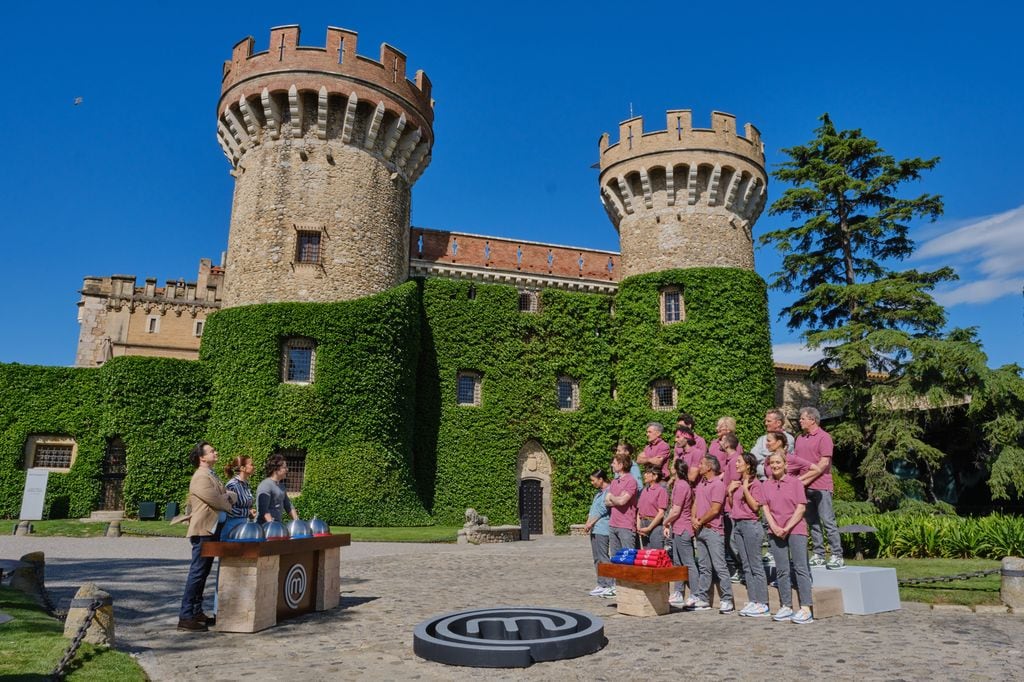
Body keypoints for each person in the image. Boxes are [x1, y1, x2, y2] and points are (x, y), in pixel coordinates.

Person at [177, 441, 237, 632]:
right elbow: (217, 500)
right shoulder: (200, 477)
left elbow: (228, 494)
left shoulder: (212, 475)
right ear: (202, 457)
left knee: (203, 573)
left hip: (213, 529)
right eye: (212, 451)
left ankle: (196, 611)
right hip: (204, 531)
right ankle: (186, 617)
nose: (215, 452)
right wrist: (227, 500)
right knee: (197, 573)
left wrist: (227, 497)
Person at [762, 442, 814, 624]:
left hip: (795, 529)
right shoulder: (766, 485)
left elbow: (800, 508)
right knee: (782, 569)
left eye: (778, 462)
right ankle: (786, 605)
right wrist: (775, 527)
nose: (775, 466)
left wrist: (786, 528)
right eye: (772, 463)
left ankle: (806, 607)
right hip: (775, 530)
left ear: (785, 465)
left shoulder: (795, 483)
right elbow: (765, 508)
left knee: (800, 568)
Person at [791, 407, 845, 570]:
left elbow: (823, 465)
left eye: (802, 418)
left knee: (828, 521)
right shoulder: (799, 439)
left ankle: (837, 555)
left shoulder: (824, 437)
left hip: (821, 487)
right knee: (812, 522)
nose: (800, 421)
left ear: (812, 420)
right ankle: (819, 554)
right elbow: (797, 463)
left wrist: (802, 480)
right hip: (804, 487)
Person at [727, 451, 770, 617]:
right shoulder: (737, 483)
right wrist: (730, 493)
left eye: (739, 462)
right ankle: (753, 600)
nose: (736, 464)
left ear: (748, 465)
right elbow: (733, 506)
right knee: (746, 565)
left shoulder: (755, 484)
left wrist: (745, 488)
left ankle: (763, 603)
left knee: (755, 565)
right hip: (738, 525)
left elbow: (754, 507)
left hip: (751, 526)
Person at [690, 454, 734, 613]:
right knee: (704, 566)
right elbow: (695, 502)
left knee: (719, 566)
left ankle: (727, 599)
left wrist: (699, 520)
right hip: (700, 529)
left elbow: (715, 509)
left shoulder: (718, 485)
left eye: (701, 464)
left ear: (709, 467)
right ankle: (703, 598)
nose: (699, 466)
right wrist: (694, 518)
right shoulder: (701, 484)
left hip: (713, 530)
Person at [602, 447, 639, 598]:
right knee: (615, 558)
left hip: (626, 524)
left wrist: (613, 498)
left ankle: (630, 586)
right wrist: (614, 499)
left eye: (614, 462)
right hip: (613, 523)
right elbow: (607, 501)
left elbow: (623, 500)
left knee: (628, 557)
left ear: (622, 465)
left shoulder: (631, 481)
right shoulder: (615, 481)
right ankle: (616, 586)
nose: (612, 465)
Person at [664, 459, 698, 607]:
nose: (670, 467)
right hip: (677, 528)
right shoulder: (678, 484)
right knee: (677, 562)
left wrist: (666, 522)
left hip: (683, 528)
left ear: (676, 469)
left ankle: (696, 594)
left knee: (688, 563)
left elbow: (676, 510)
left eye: (672, 466)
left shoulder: (682, 485)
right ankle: (678, 591)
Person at [583, 469, 612, 596]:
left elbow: (601, 510)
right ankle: (601, 583)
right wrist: (588, 522)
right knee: (597, 558)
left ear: (601, 479)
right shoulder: (598, 494)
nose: (592, 483)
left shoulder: (609, 492)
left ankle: (610, 583)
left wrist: (590, 523)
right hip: (595, 529)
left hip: (602, 529)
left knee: (603, 557)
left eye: (593, 480)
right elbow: (592, 510)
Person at [749, 409, 795, 480]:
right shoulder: (761, 438)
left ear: (778, 423)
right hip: (762, 480)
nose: (765, 423)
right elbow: (753, 455)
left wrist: (763, 457)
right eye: (766, 421)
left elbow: (779, 457)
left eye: (769, 421)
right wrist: (766, 463)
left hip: (779, 481)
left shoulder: (788, 438)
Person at [256, 454, 300, 525]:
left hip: (276, 526)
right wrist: (271, 525)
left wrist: (298, 522)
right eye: (284, 467)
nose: (287, 469)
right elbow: (263, 509)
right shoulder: (265, 485)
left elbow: (288, 506)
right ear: (276, 469)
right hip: (264, 527)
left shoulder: (281, 486)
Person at [221, 455, 256, 539]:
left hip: (243, 526)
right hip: (232, 527)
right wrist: (247, 512)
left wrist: (250, 511)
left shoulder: (246, 484)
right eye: (251, 464)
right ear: (242, 468)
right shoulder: (232, 485)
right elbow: (228, 509)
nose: (254, 467)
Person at [636, 465, 668, 549]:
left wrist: (649, 528)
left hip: (655, 526)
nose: (645, 475)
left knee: (656, 555)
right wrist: (638, 526)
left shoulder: (661, 491)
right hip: (643, 524)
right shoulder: (644, 490)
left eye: (647, 473)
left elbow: (661, 513)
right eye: (645, 473)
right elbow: (639, 510)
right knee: (647, 556)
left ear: (655, 476)